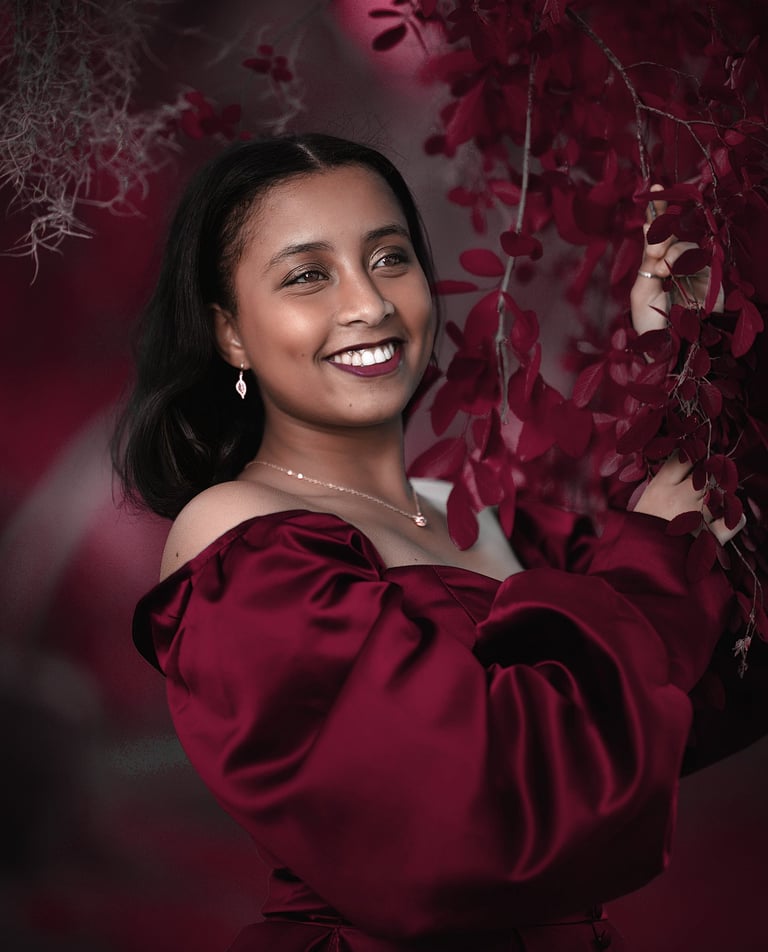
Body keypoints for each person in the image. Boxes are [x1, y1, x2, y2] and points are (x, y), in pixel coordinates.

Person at [114, 134, 744, 951]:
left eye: (389, 259)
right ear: (230, 332)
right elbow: (465, 829)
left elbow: (700, 692)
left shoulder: (488, 516)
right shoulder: (234, 532)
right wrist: (659, 555)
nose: (369, 305)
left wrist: (691, 352)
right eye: (308, 275)